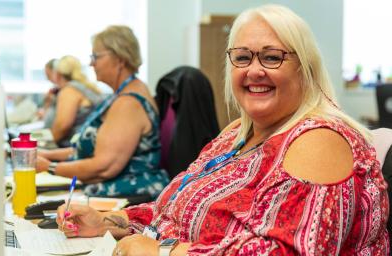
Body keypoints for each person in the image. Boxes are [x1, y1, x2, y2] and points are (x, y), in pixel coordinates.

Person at [54, 5, 389, 255]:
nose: (254, 70)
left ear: (305, 68)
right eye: (242, 58)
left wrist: (163, 252)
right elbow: (171, 211)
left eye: (272, 57)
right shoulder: (237, 133)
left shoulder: (320, 139)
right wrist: (113, 223)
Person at [37, 25, 169, 199]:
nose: (91, 63)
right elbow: (90, 149)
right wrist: (46, 155)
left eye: (96, 57)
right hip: (111, 190)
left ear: (120, 58)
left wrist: (49, 167)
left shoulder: (129, 103)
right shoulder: (121, 94)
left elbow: (104, 167)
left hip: (127, 198)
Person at [46, 55, 104, 147]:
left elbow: (62, 127)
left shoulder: (69, 91)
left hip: (73, 148)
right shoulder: (87, 87)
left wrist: (43, 145)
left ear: (57, 73)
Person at [37, 58, 59, 123]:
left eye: (48, 75)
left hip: (50, 129)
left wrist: (44, 113)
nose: (47, 79)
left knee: (23, 133)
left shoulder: (66, 92)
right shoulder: (53, 90)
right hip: (45, 125)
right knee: (21, 132)